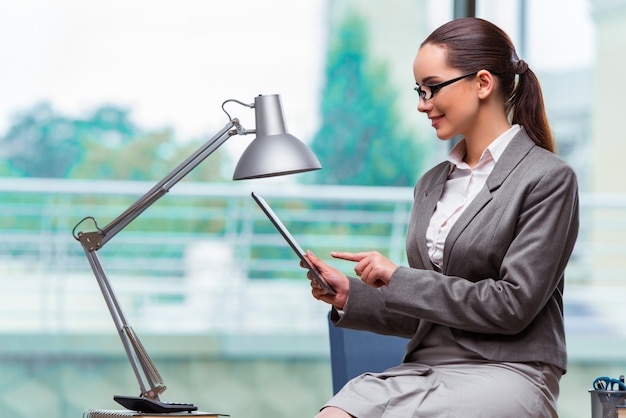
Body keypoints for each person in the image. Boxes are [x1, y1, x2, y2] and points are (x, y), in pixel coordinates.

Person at [304, 17, 579, 418]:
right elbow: (430, 307)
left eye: (432, 88)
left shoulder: (548, 179)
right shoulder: (431, 183)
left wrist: (398, 277)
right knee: (338, 410)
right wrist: (351, 295)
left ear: (482, 83)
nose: (421, 103)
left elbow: (513, 305)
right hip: (426, 368)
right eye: (419, 90)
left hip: (509, 370)